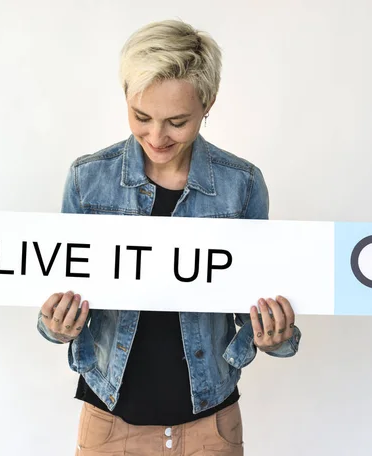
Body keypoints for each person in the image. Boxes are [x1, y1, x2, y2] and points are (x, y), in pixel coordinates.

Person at [37, 19, 302, 456]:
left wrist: (273, 336)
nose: (157, 137)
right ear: (126, 95)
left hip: (210, 423)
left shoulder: (244, 185)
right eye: (141, 117)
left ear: (208, 103)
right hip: (109, 421)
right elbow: (56, 292)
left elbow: (252, 304)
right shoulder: (87, 180)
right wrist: (56, 325)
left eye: (177, 121)